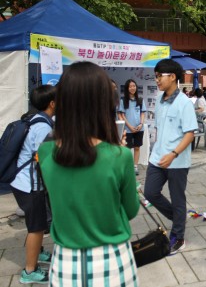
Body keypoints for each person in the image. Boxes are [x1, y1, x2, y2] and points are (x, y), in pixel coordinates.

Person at [37, 62, 139, 287]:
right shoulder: (119, 156)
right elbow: (131, 209)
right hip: (113, 261)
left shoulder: (45, 153)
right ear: (103, 103)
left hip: (64, 263)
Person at [143, 59, 197, 255]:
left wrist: (174, 154)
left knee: (178, 198)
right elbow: (159, 128)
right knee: (150, 192)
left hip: (177, 161)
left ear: (172, 77)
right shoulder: (158, 99)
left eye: (160, 76)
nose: (157, 80)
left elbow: (190, 133)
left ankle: (178, 237)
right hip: (157, 157)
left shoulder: (184, 103)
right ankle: (178, 217)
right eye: (156, 76)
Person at [10, 85, 55, 284]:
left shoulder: (32, 118)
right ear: (52, 103)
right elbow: (43, 159)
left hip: (21, 182)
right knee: (36, 227)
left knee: (35, 222)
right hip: (31, 185)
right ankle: (29, 271)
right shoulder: (43, 126)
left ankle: (39, 252)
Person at [118, 79, 146, 175]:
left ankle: (135, 167)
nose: (132, 88)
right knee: (127, 149)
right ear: (127, 88)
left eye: (134, 86)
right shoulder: (123, 100)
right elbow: (122, 115)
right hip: (128, 129)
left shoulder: (140, 100)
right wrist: (129, 126)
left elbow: (142, 113)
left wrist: (141, 124)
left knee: (137, 147)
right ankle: (127, 167)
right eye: (130, 86)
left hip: (139, 129)